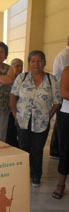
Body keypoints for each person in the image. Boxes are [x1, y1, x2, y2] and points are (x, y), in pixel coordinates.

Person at [10, 50, 61, 187]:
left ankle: (36, 176)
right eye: (33, 61)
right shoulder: (22, 77)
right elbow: (13, 95)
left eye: (39, 61)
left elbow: (57, 101)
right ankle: (23, 173)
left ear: (44, 62)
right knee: (24, 148)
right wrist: (15, 114)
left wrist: (48, 116)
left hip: (41, 122)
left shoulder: (52, 80)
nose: (36, 64)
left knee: (37, 149)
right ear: (29, 63)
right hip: (22, 119)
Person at [50, 36, 69, 159]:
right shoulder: (65, 55)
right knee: (61, 124)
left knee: (59, 124)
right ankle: (57, 151)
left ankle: (56, 150)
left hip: (62, 90)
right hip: (62, 91)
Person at [52, 66, 69, 199]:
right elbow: (64, 93)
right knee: (66, 150)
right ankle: (61, 184)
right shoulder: (68, 70)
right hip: (67, 115)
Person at [5, 58, 23, 147]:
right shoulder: (8, 78)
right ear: (12, 67)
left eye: (21, 66)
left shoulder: (24, 79)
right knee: (9, 131)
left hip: (20, 109)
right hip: (8, 109)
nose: (19, 68)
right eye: (17, 66)